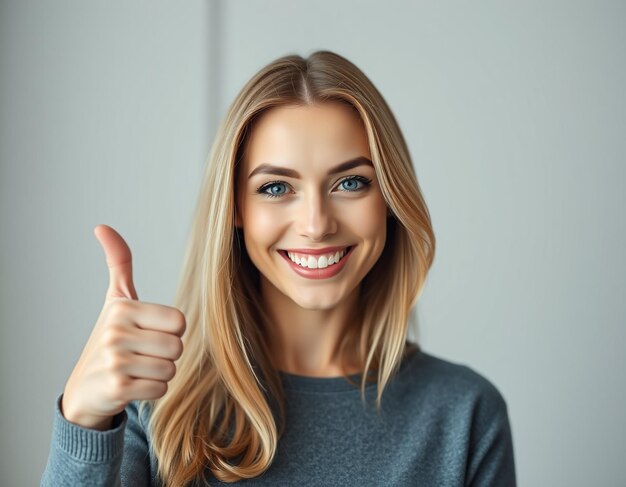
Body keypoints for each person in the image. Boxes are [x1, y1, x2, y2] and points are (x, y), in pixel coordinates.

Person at [41, 50, 516, 486]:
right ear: (235, 209)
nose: (316, 225)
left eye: (351, 182)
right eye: (275, 188)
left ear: (390, 200)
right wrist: (84, 422)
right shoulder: (154, 408)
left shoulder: (465, 414)